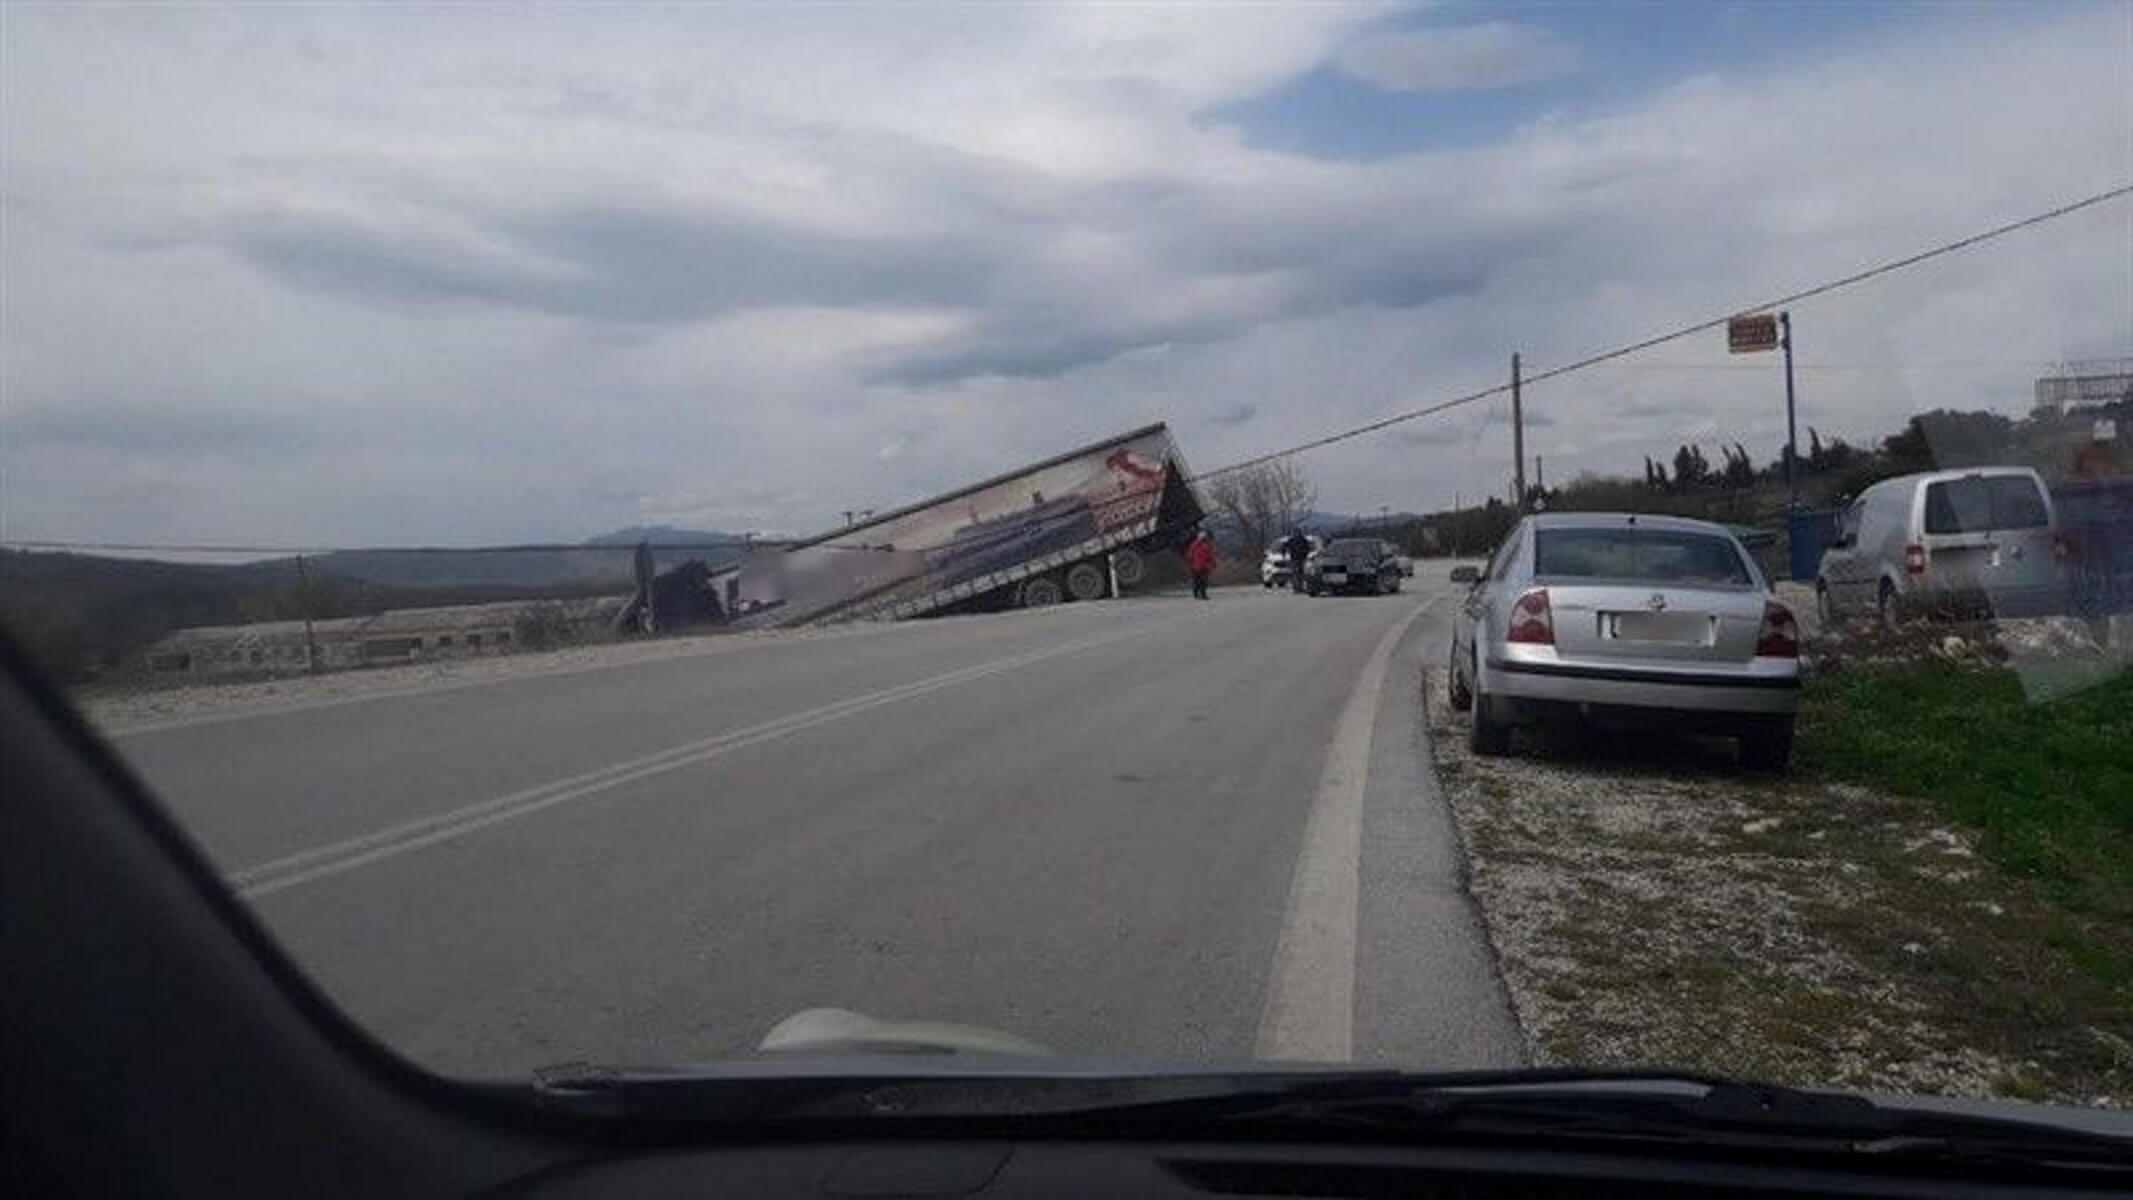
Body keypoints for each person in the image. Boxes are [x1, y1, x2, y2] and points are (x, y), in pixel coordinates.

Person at [1184, 530, 1217, 600]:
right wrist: (1213, 563)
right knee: (1200, 581)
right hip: (1199, 566)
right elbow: (1210, 555)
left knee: (1200, 581)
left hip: (1200, 566)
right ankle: (1199, 594)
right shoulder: (1202, 545)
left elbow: (1210, 555)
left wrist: (1213, 562)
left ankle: (1199, 594)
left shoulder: (1197, 545)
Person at [1282, 528, 1313, 593]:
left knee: (1299, 573)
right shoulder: (1292, 540)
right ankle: (1296, 588)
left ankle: (1299, 587)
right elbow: (1284, 546)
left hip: (1301, 559)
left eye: (1297, 532)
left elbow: (1308, 548)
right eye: (1296, 532)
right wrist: (1284, 554)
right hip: (1294, 559)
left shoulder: (1303, 540)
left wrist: (1305, 554)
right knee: (1296, 573)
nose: (1297, 534)